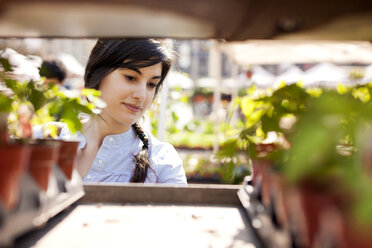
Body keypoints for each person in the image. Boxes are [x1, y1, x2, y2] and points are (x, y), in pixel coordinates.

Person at [61, 39, 187, 184]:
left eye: (151, 84)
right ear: (97, 74)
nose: (141, 95)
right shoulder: (48, 138)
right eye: (130, 77)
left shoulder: (163, 162)